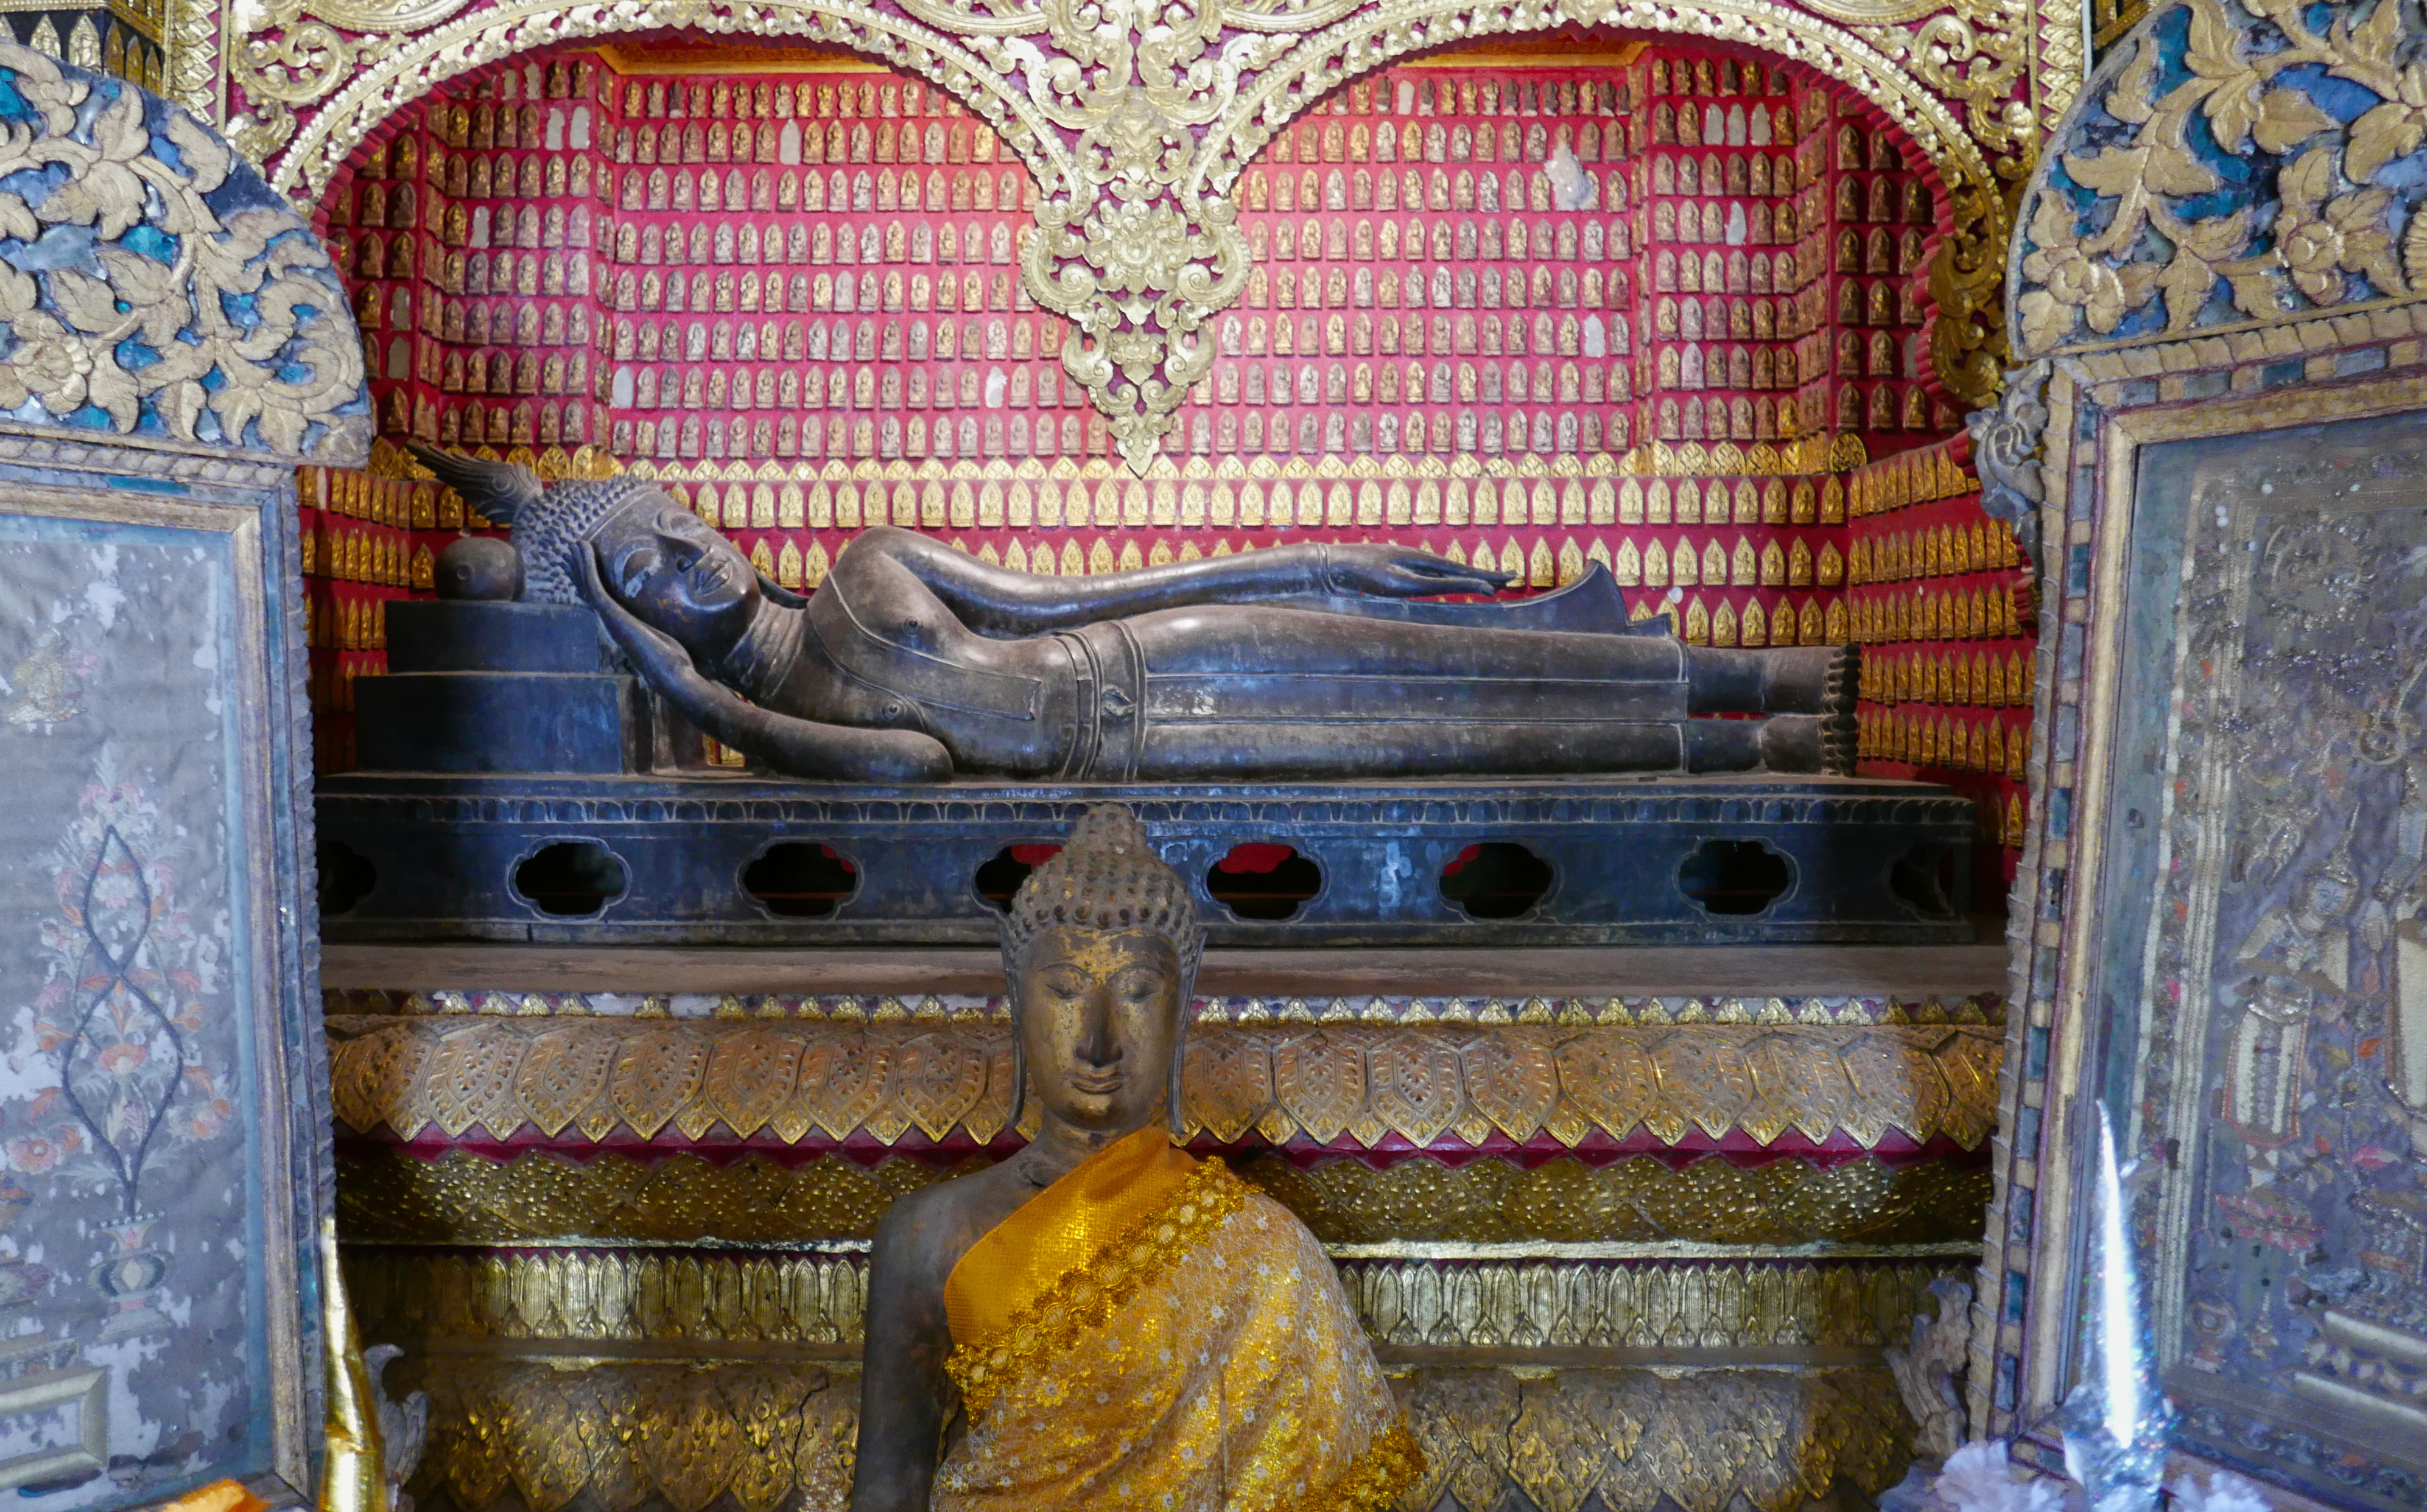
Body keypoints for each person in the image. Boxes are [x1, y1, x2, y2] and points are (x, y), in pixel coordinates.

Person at [416, 447, 1857, 783]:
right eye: (647, 568)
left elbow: (1091, 596)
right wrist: (666, 674)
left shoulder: (865, 564)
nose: (689, 553)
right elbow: (909, 769)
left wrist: (1307, 561)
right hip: (1138, 750)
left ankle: (1763, 667)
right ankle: (1757, 750)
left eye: (675, 521)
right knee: (1450, 732)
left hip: (1153, 654)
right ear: (638, 623)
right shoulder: (803, 717)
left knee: (1429, 652)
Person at [846, 807, 1421, 1511]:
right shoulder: (929, 1236)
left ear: (1183, 1005)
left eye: (1138, 993)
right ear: (1015, 994)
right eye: (1063, 991)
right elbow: (886, 1491)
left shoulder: (1264, 1253)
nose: (1097, 1040)